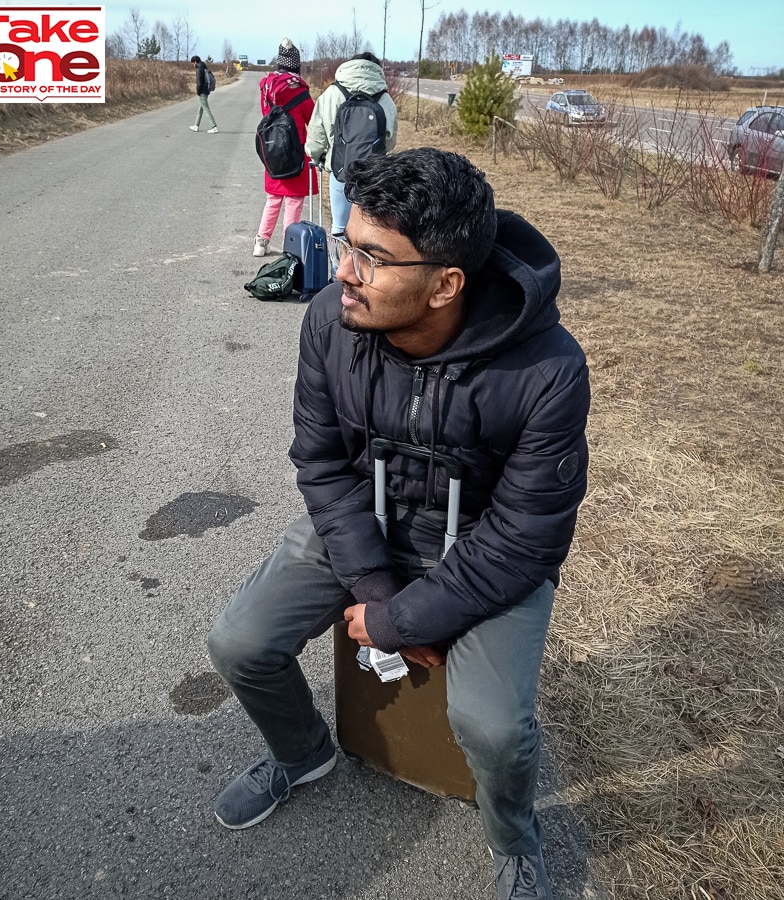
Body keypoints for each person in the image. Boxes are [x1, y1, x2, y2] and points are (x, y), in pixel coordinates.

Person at [207, 147, 590, 900]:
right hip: (367, 530)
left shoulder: (548, 370)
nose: (344, 270)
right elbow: (320, 464)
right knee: (239, 642)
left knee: (493, 727)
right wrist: (378, 593)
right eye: (348, 244)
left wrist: (406, 618)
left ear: (447, 284)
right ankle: (303, 752)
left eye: (373, 259)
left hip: (483, 552)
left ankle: (514, 841)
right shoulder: (330, 320)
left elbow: (526, 536)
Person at [305, 52, 398, 240]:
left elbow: (316, 137)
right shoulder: (385, 98)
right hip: (374, 174)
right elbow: (390, 141)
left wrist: (317, 156)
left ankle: (338, 268)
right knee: (369, 228)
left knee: (339, 225)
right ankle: (364, 267)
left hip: (341, 170)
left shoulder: (332, 93)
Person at [253, 38, 317, 258]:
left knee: (273, 199)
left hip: (273, 151)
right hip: (295, 152)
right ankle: (290, 246)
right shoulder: (300, 91)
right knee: (294, 201)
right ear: (296, 66)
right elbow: (313, 118)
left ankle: (261, 242)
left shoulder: (267, 88)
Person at [189, 55, 218, 133]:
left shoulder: (199, 69)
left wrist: (198, 91)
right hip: (206, 90)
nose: (193, 65)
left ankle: (214, 126)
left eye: (193, 63)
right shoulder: (204, 67)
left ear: (195, 62)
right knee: (201, 108)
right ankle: (196, 125)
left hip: (202, 91)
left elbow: (199, 82)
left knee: (206, 109)